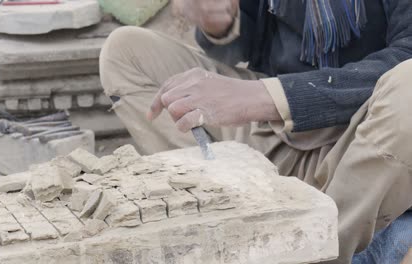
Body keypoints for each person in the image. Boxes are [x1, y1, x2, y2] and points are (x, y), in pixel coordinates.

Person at [99, 0, 412, 263]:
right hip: (282, 133)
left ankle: (320, 248)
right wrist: (221, 24)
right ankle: (228, 215)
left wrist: (266, 97)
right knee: (126, 52)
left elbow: (406, 54)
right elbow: (257, 45)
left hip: (370, 146)